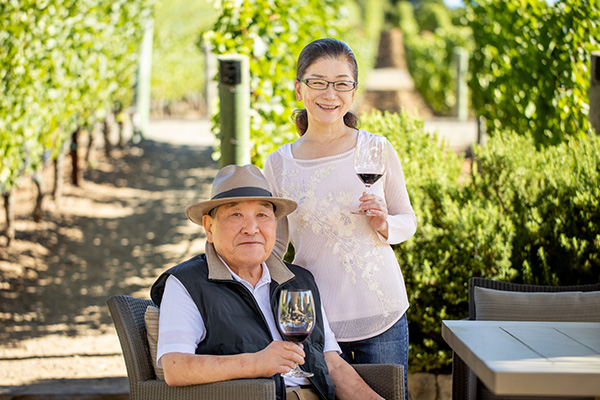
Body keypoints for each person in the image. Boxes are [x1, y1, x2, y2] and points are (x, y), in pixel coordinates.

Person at [263, 38, 417, 399]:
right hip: (316, 322)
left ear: (353, 91)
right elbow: (276, 246)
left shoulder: (375, 148)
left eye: (341, 83)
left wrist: (384, 225)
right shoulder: (280, 163)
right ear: (299, 88)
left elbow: (407, 219)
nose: (329, 93)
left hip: (381, 312)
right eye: (317, 82)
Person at [150, 164, 384, 400]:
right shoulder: (187, 283)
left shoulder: (298, 281)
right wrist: (257, 363)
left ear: (274, 223)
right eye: (236, 215)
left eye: (262, 215)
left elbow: (331, 363)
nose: (251, 229)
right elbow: (175, 367)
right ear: (209, 227)